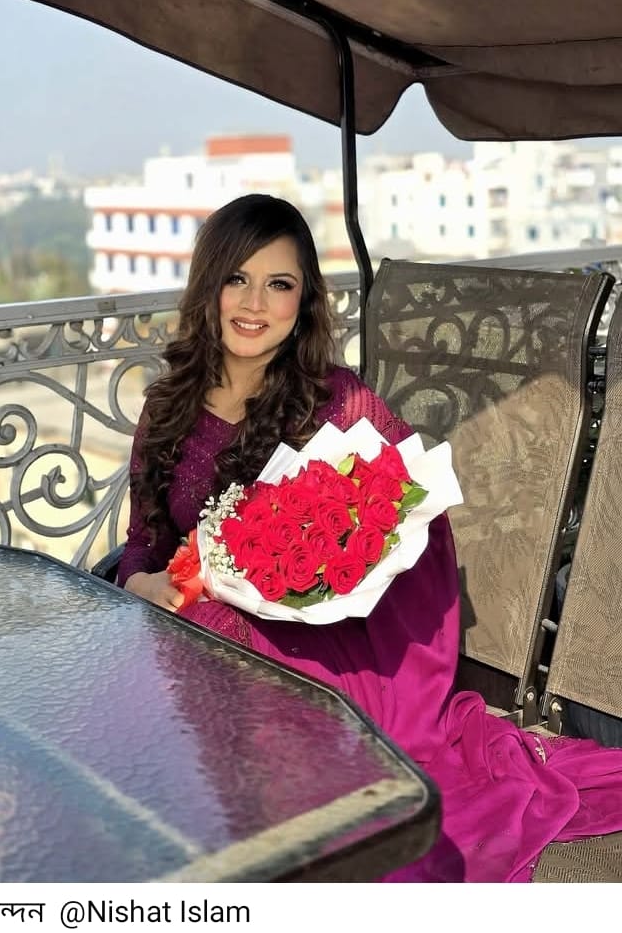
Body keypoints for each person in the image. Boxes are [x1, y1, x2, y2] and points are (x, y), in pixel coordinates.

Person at [118, 193, 622, 883]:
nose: (254, 304)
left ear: (304, 301)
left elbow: (411, 516)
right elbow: (142, 542)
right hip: (188, 630)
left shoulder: (336, 400)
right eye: (237, 278)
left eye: (279, 284)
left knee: (211, 645)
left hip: (319, 648)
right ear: (208, 285)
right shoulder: (167, 405)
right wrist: (144, 581)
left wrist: (316, 568)